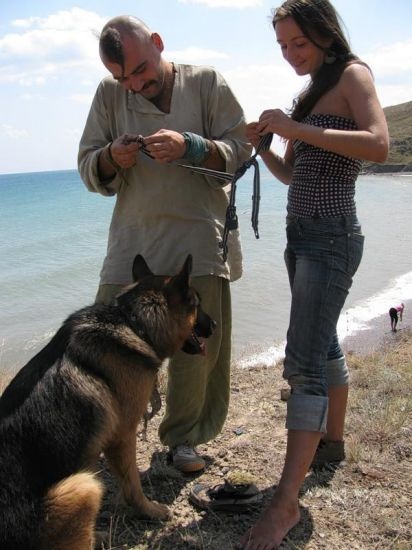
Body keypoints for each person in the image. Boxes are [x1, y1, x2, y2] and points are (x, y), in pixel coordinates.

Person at [242, 1, 389, 547]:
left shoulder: (353, 74)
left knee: (302, 361)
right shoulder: (312, 90)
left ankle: (284, 505)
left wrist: (297, 126)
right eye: (282, 46)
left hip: (331, 235)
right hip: (302, 234)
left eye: (297, 43)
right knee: (322, 342)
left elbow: (378, 144)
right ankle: (333, 443)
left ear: (325, 33)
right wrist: (267, 148)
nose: (289, 54)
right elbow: (293, 175)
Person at [78, 15, 251, 473]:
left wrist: (192, 147)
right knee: (105, 345)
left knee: (196, 346)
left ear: (157, 43)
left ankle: (183, 441)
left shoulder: (208, 83)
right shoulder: (109, 94)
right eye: (122, 78)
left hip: (199, 234)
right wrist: (111, 158)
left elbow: (241, 149)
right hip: (133, 242)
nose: (133, 85)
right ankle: (102, 436)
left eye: (139, 71)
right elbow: (87, 167)